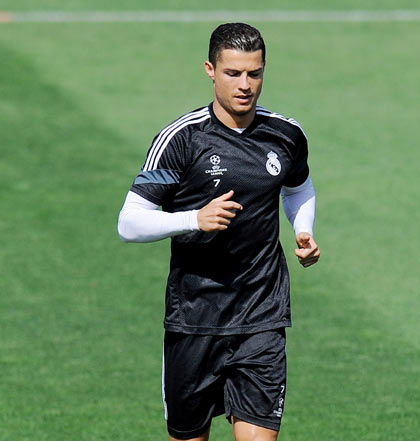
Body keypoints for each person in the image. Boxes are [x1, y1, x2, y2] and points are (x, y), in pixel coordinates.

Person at [117, 22, 320, 441]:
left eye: (254, 73)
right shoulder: (183, 139)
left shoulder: (286, 134)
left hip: (261, 315)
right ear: (211, 69)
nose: (245, 85)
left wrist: (303, 229)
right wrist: (194, 218)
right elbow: (129, 222)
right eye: (233, 74)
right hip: (195, 319)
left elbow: (299, 186)